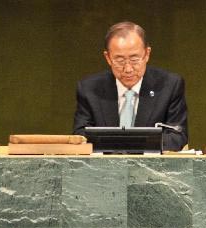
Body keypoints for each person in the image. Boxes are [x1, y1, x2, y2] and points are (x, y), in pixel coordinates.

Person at [73, 21, 189, 151]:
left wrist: (127, 144)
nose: (128, 69)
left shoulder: (170, 85)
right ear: (108, 58)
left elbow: (178, 136)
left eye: (134, 59)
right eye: (120, 60)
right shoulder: (89, 88)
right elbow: (80, 136)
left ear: (147, 54)